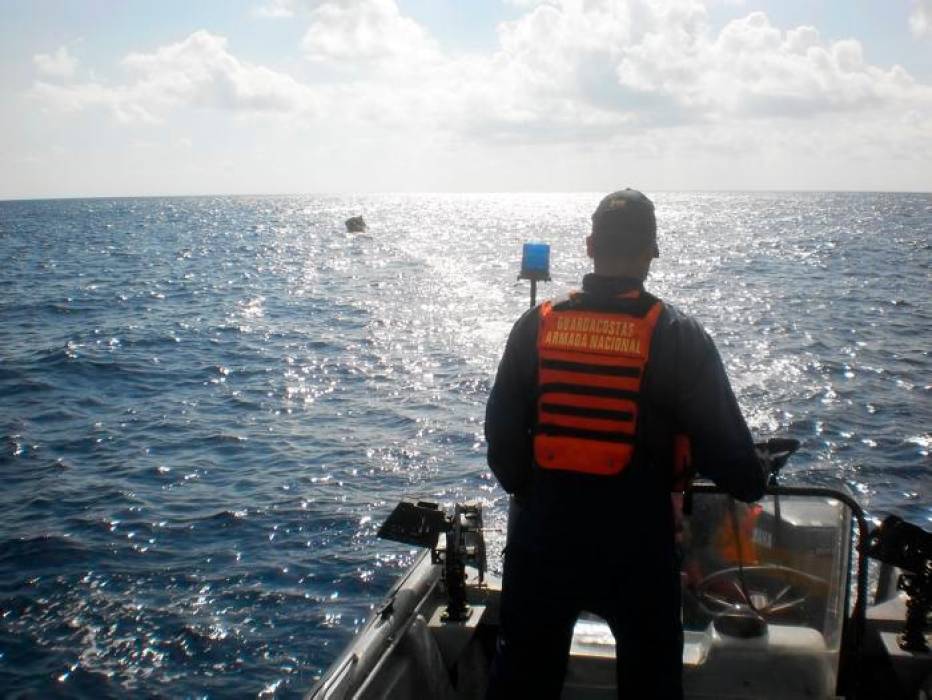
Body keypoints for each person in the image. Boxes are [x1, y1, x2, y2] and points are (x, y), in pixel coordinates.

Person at [484, 189, 767, 699]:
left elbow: (502, 445)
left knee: (524, 681)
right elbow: (732, 460)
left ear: (590, 246)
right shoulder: (678, 335)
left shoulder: (536, 325)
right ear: (651, 251)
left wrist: (539, 492)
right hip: (637, 547)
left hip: (544, 541)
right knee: (650, 684)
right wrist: (754, 477)